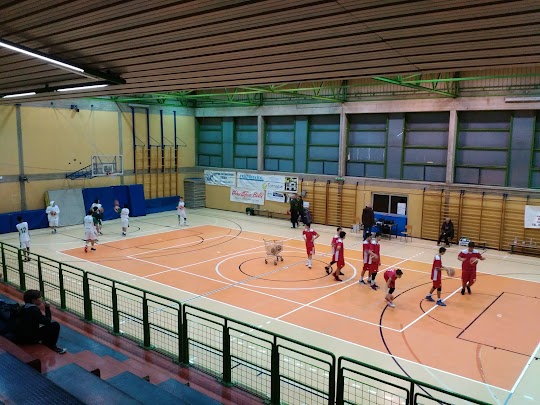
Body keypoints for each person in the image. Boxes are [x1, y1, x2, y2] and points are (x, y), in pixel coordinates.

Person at [14, 290, 66, 354]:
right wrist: (47, 308)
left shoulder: (23, 307)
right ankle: (52, 346)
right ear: (34, 300)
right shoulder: (34, 310)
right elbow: (47, 321)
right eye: (39, 297)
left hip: (20, 336)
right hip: (30, 338)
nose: (41, 298)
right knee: (55, 325)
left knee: (40, 325)